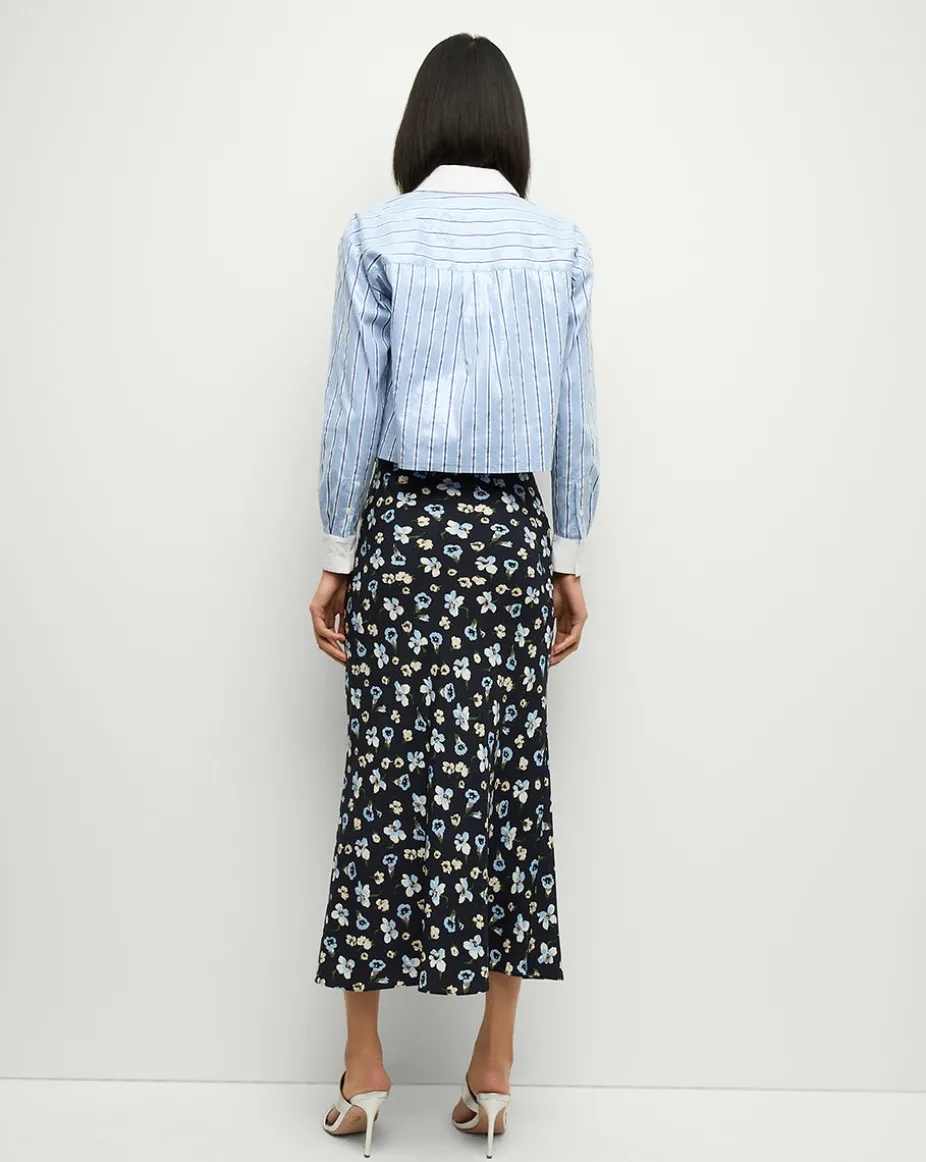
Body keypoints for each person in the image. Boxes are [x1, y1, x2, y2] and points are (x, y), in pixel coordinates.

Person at [310, 31, 600, 1158]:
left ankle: (365, 1068)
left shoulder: (376, 233)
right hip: (508, 540)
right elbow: (574, 413)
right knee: (508, 785)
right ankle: (495, 1066)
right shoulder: (558, 244)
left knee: (382, 779)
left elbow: (354, 406)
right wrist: (566, 553)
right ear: (508, 129)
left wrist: (338, 553)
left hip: (405, 534)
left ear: (420, 126)